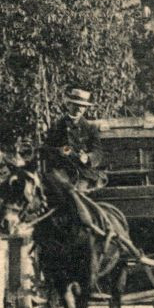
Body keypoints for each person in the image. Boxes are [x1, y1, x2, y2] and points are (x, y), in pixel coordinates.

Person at [38, 87, 111, 239]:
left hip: (82, 174)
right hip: (60, 172)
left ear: (85, 108)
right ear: (69, 105)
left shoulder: (90, 128)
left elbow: (98, 152)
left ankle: (84, 233)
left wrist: (88, 158)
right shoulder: (58, 126)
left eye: (82, 106)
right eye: (75, 105)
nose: (79, 109)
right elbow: (45, 148)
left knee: (76, 197)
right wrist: (59, 150)